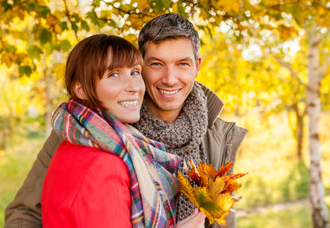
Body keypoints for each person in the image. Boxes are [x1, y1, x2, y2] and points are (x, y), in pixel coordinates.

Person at [5, 13, 247, 228]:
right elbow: (25, 214)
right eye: (156, 64)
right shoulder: (90, 128)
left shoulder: (218, 135)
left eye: (182, 64)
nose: (170, 79)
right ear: (140, 66)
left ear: (197, 66)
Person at [41, 34, 206, 228]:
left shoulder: (74, 144)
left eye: (135, 72)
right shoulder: (104, 164)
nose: (134, 87)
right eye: (114, 75)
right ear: (81, 90)